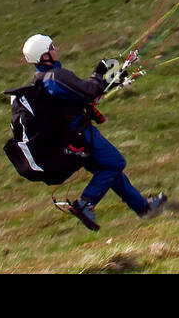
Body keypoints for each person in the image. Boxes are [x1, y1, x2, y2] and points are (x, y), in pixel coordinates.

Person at [18, 33, 165, 231]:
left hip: (69, 139)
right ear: (45, 56)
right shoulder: (55, 76)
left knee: (108, 169)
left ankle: (143, 208)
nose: (56, 49)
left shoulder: (42, 80)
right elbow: (88, 91)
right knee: (115, 163)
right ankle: (86, 203)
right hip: (80, 134)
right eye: (52, 47)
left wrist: (107, 80)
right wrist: (99, 73)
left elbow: (80, 94)